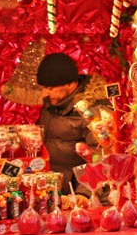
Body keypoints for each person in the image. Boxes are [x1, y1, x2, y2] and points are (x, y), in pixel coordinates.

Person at [35, 53, 108, 196]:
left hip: (81, 193)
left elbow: (100, 157)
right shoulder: (51, 105)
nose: (44, 94)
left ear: (70, 84)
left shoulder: (92, 111)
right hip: (56, 190)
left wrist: (85, 194)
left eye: (50, 88)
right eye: (43, 88)